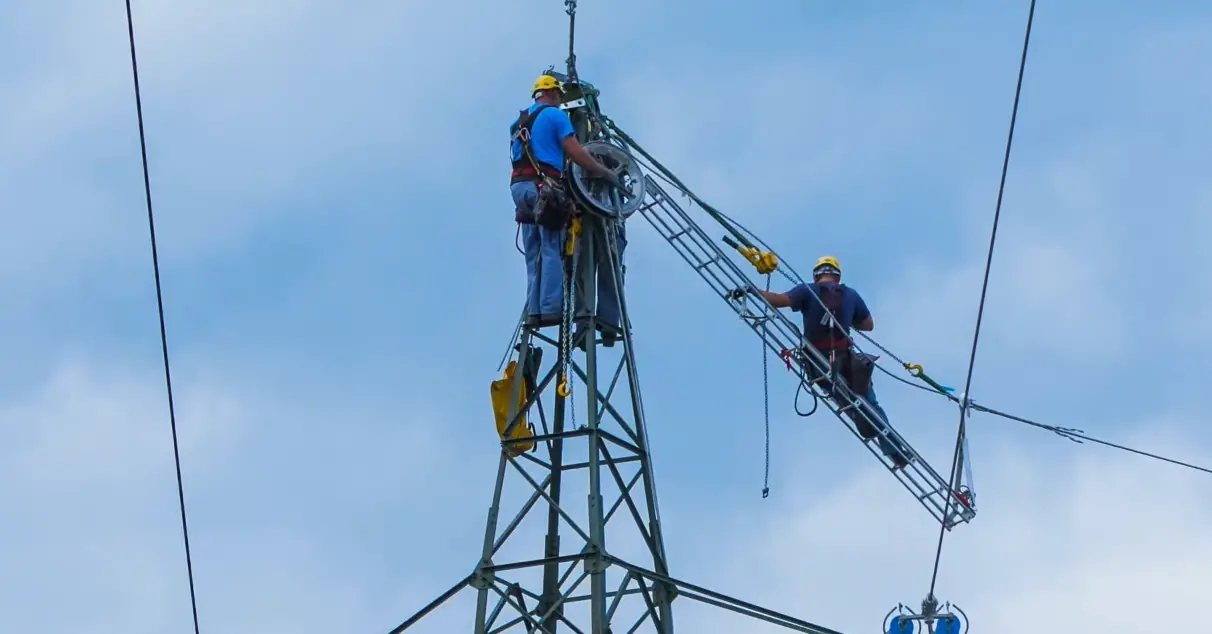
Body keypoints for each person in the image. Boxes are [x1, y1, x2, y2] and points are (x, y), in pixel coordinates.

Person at [758, 256, 912, 469]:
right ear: (838, 276)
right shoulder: (850, 295)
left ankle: (865, 423)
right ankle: (895, 450)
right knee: (870, 403)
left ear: (817, 274)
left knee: (848, 403)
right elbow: (868, 325)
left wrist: (753, 291)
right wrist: (847, 319)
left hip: (819, 362)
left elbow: (779, 301)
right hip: (848, 361)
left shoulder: (807, 290)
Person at [510, 73, 618, 328]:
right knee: (550, 247)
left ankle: (534, 311)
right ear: (554, 94)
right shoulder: (556, 115)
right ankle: (550, 309)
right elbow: (574, 150)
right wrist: (601, 171)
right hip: (544, 187)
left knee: (532, 252)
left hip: (520, 189)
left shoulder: (518, 121)